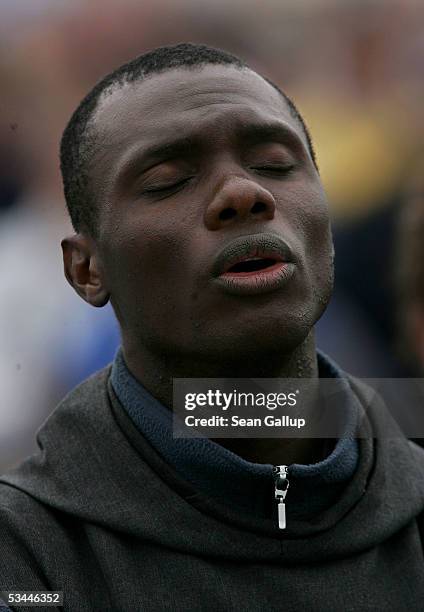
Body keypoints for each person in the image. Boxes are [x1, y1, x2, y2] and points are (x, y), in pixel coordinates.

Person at [1, 43, 424, 612]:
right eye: (168, 181)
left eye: (275, 163)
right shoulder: (28, 558)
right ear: (86, 268)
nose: (243, 194)